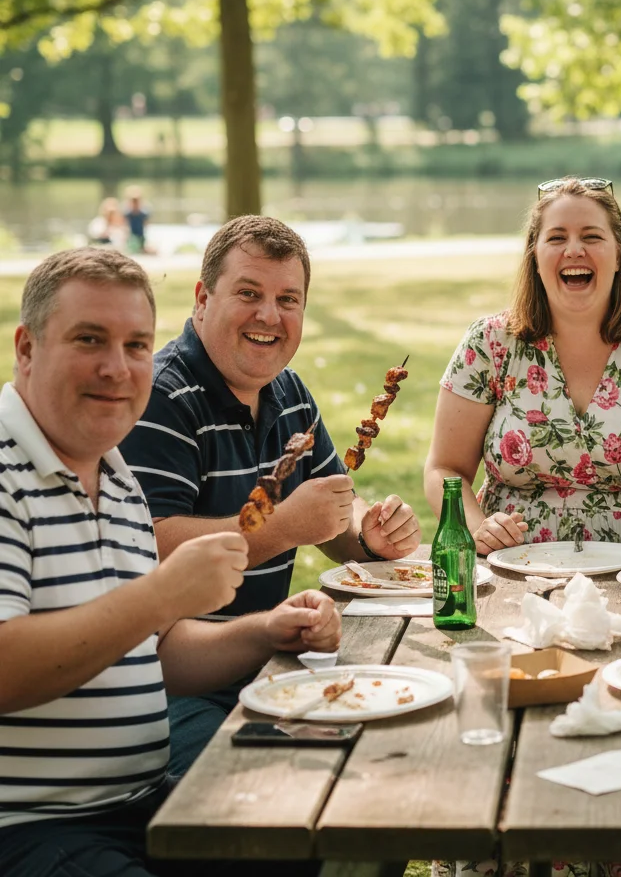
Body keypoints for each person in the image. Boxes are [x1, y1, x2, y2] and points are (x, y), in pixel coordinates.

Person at [0, 247, 340, 877]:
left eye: (136, 345)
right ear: (26, 348)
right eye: (88, 339)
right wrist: (161, 595)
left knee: (315, 825)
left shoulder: (116, 479)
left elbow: (152, 655)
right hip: (31, 824)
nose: (117, 367)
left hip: (141, 802)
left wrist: (263, 631)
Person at [118, 215, 421, 778]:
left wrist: (364, 533)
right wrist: (282, 527)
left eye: (289, 299)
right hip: (170, 688)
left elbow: (334, 502)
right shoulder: (161, 398)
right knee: (277, 788)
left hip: (270, 660)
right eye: (249, 294)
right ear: (203, 299)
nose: (269, 316)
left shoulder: (288, 391)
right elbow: (150, 545)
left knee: (395, 750)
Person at [424, 175, 621, 557]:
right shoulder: (488, 343)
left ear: (619, 254)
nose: (574, 250)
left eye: (591, 237)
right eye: (556, 238)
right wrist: (478, 529)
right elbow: (444, 469)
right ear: (534, 256)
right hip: (511, 565)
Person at [124, 186, 152, 254]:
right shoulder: (128, 213)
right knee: (131, 245)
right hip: (131, 233)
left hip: (140, 233)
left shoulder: (143, 213)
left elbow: (146, 223)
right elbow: (125, 223)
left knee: (141, 244)